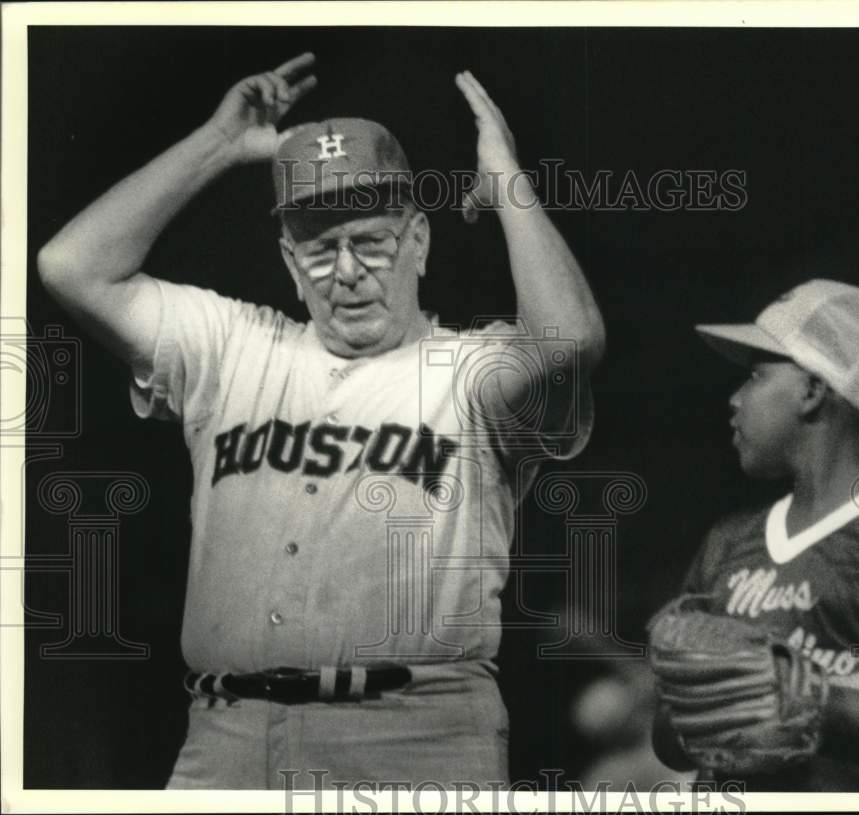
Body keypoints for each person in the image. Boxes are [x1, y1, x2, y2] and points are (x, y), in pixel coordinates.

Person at [37, 53, 604, 790]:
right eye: (319, 247)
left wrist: (507, 185)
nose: (346, 270)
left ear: (420, 242)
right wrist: (216, 143)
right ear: (288, 260)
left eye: (370, 240)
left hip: (414, 736)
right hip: (225, 737)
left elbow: (573, 341)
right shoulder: (233, 345)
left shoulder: (468, 371)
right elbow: (70, 264)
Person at [652, 279, 859, 791]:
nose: (735, 399)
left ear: (812, 391)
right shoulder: (727, 540)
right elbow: (669, 744)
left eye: (757, 376)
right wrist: (695, 709)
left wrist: (823, 702)